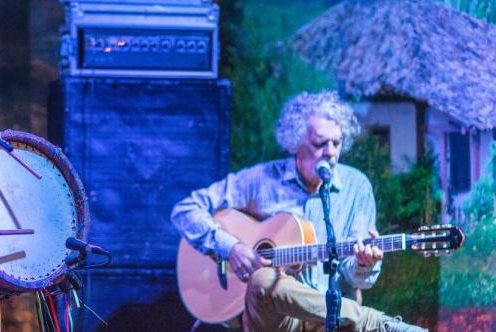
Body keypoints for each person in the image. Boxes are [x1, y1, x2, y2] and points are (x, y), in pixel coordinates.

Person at [171, 91, 426, 332]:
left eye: (337, 143)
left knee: (343, 295)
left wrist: (362, 264)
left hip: (333, 318)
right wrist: (231, 248)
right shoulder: (261, 180)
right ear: (296, 143)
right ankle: (376, 324)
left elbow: (355, 279)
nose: (331, 153)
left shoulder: (356, 186)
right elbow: (186, 210)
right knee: (263, 280)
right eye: (320, 143)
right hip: (278, 320)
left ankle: (370, 322)